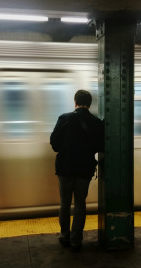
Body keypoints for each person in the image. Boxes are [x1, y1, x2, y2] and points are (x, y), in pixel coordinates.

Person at [50, 89, 104, 252]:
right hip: (84, 169)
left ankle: (64, 236)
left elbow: (54, 144)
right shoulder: (96, 122)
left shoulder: (64, 118)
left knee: (65, 203)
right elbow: (100, 146)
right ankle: (76, 240)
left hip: (64, 168)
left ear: (75, 102)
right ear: (90, 104)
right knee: (80, 204)